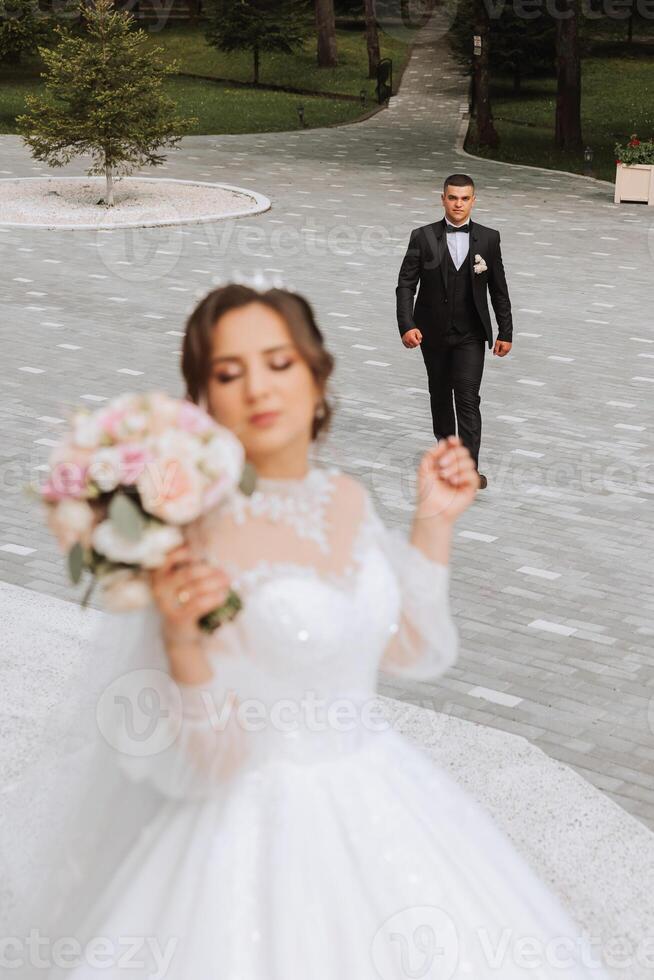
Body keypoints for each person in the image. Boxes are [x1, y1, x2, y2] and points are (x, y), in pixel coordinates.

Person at [2, 284, 611, 980]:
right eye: (229, 373)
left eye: (279, 362)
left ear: (317, 375)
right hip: (250, 827)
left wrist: (434, 521)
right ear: (201, 401)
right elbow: (213, 761)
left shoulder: (343, 497)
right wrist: (180, 641)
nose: (258, 386)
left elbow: (411, 648)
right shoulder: (193, 530)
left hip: (379, 791)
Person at [396, 173, 514, 490]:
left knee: (467, 397)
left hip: (471, 334)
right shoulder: (422, 237)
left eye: (464, 198)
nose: (458, 204)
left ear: (473, 200)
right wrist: (407, 325)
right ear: (443, 199)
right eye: (452, 197)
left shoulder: (489, 239)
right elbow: (406, 285)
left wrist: (506, 330)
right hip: (431, 333)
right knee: (439, 395)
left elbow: (499, 289)